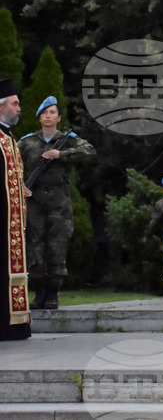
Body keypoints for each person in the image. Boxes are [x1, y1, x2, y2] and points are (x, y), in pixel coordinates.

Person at [18, 96, 96, 309]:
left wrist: (61, 154)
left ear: (59, 117)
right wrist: (19, 185)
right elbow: (10, 163)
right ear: (39, 118)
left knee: (57, 246)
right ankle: (39, 294)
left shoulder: (68, 139)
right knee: (35, 246)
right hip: (34, 201)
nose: (48, 116)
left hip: (58, 202)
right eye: (44, 113)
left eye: (52, 112)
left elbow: (89, 151)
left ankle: (53, 294)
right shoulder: (27, 142)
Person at [0, 79, 30, 340]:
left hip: (12, 225)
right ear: (1, 107)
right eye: (15, 103)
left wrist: (20, 189)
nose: (19, 108)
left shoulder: (8, 138)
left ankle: (14, 325)